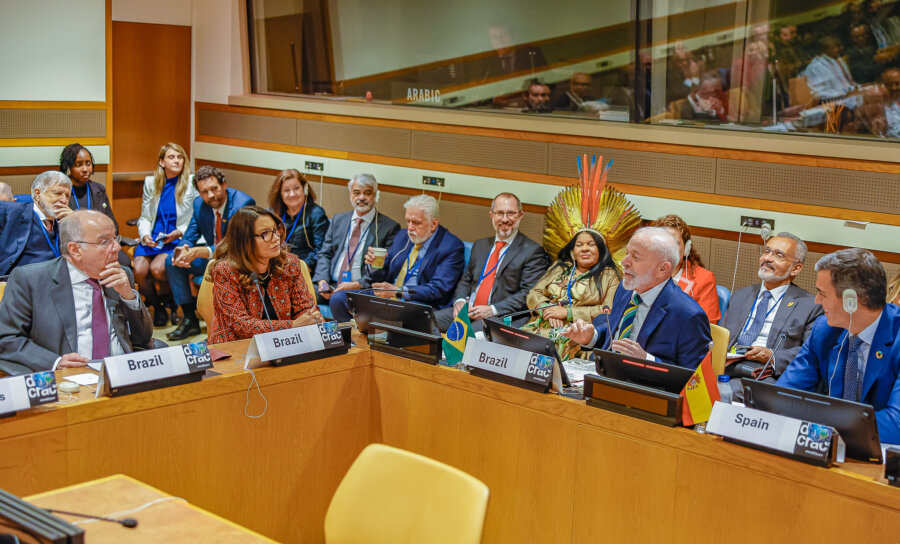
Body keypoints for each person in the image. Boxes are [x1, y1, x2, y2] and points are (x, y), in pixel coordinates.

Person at [0, 210, 153, 375]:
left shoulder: (121, 275)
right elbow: (7, 339)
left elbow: (143, 339)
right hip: (67, 380)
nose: (116, 248)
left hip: (121, 374)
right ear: (75, 250)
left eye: (115, 239)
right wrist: (55, 362)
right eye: (105, 242)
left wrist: (128, 296)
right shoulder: (30, 280)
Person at [778, 248, 900, 444]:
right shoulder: (824, 329)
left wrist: (824, 425)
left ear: (851, 301)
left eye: (822, 294)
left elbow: (896, 426)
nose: (816, 301)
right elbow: (784, 396)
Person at [562, 227, 712, 369]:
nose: (624, 262)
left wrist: (646, 360)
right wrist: (591, 337)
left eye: (635, 257)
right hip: (603, 375)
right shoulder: (625, 289)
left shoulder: (689, 315)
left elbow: (694, 378)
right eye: (627, 253)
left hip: (646, 389)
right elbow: (615, 335)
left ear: (662, 269)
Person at [328, 194, 465, 324]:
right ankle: (354, 341)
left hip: (418, 301)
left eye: (416, 223)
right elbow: (384, 273)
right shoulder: (402, 236)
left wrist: (399, 291)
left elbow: (438, 289)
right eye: (408, 221)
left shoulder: (451, 246)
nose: (410, 228)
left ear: (433, 224)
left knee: (397, 313)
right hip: (388, 295)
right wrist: (375, 265)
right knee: (339, 299)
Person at [720, 233, 823, 393]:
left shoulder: (810, 305)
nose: (767, 258)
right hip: (727, 367)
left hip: (767, 374)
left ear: (796, 268)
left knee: (728, 391)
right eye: (766, 251)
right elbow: (722, 337)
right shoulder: (740, 295)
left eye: (779, 255)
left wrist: (772, 356)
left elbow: (811, 353)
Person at [164, 165, 255, 340]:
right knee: (171, 261)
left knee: (219, 268)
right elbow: (191, 233)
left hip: (237, 260)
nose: (211, 195)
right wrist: (182, 249)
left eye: (214, 189)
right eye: (204, 191)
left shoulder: (242, 204)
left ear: (224, 184)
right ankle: (190, 320)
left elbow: (235, 244)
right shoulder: (199, 204)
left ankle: (219, 327)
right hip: (214, 259)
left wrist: (203, 251)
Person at [208, 206, 322, 344]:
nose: (276, 238)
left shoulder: (289, 264)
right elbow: (241, 325)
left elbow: (305, 308)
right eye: (265, 233)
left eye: (275, 230)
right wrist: (292, 326)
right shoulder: (225, 271)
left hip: (285, 344)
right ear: (245, 240)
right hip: (236, 348)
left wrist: (311, 318)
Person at [435, 193, 548, 331]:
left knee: (469, 336)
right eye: (500, 213)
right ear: (491, 215)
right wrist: (459, 302)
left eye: (511, 213)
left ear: (520, 215)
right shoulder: (480, 245)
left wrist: (492, 309)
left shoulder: (532, 251)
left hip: (499, 316)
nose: (505, 219)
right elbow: (466, 279)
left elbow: (528, 293)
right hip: (469, 311)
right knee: (427, 322)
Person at [522, 230, 619, 360]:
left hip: (575, 331)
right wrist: (547, 309)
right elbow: (534, 293)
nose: (584, 249)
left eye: (591, 244)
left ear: (601, 250)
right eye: (579, 245)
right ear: (573, 250)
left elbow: (608, 310)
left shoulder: (610, 275)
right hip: (540, 322)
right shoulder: (560, 267)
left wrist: (567, 313)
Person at [134, 143, 198, 328]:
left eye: (180, 157)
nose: (177, 160)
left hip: (177, 236)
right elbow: (145, 216)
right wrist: (145, 235)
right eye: (172, 157)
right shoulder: (151, 183)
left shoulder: (190, 183)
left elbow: (196, 216)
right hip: (154, 237)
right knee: (138, 270)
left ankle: (171, 302)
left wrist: (180, 232)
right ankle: (159, 307)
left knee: (157, 269)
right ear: (162, 162)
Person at [313, 174, 400, 300]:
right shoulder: (338, 220)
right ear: (350, 194)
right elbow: (325, 254)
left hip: (360, 289)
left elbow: (384, 268)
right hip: (330, 285)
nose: (361, 197)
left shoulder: (389, 227)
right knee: (300, 294)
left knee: (340, 298)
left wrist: (357, 284)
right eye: (357, 192)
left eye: (367, 193)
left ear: (375, 195)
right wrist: (322, 281)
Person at [59, 142, 131, 268]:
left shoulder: (98, 190)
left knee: (125, 263)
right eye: (79, 165)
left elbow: (113, 224)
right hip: (77, 247)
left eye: (88, 163)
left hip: (102, 244)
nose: (86, 169)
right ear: (68, 168)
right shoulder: (61, 192)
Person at [0, 171, 73, 275]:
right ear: (38, 194)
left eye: (67, 196)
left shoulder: (66, 222)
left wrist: (76, 223)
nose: (64, 200)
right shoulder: (15, 212)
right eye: (57, 193)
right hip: (22, 283)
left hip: (58, 281)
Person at [652, 214, 720, 323]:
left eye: (675, 243)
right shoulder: (643, 274)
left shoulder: (704, 279)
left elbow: (707, 327)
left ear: (686, 249)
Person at [268, 169, 329, 272]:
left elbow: (321, 250)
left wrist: (299, 268)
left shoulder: (316, 213)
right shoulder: (275, 213)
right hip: (277, 267)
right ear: (280, 194)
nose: (292, 194)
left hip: (304, 269)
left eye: (296, 188)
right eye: (286, 190)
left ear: (304, 190)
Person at [803, 36, 857, 100]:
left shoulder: (836, 60)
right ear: (824, 50)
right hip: (831, 101)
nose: (838, 49)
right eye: (833, 47)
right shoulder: (815, 67)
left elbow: (845, 84)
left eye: (838, 46)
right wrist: (841, 94)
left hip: (845, 96)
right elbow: (818, 92)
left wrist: (853, 89)